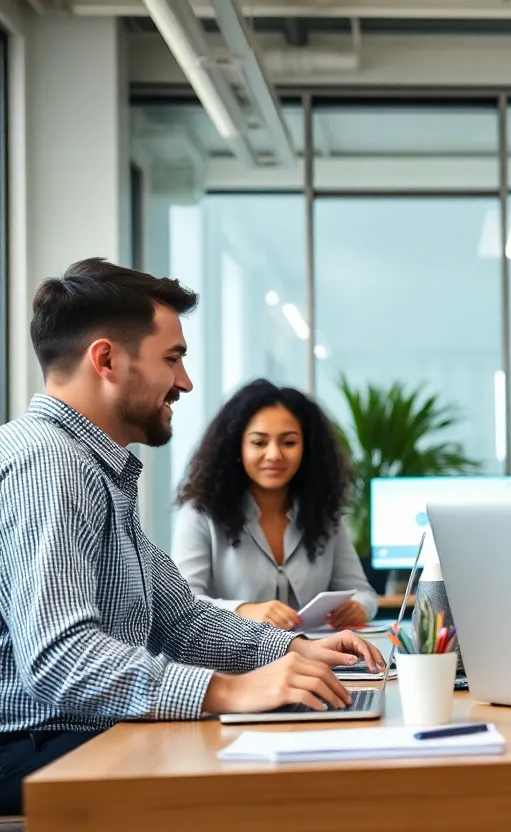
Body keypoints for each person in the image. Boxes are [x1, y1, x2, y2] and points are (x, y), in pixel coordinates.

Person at [0, 259, 383, 815]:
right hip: (39, 751)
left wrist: (295, 650)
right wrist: (231, 690)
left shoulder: (94, 469)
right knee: (283, 790)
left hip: (82, 735)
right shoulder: (50, 466)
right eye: (172, 358)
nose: (185, 382)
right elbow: (64, 658)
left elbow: (181, 619)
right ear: (105, 360)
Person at [172, 379, 377, 630]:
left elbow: (364, 593)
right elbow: (182, 603)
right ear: (237, 447)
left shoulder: (324, 514)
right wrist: (244, 610)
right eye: (259, 443)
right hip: (236, 653)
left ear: (307, 449)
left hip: (313, 650)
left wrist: (358, 607)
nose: (274, 455)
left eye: (288, 442)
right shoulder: (200, 513)